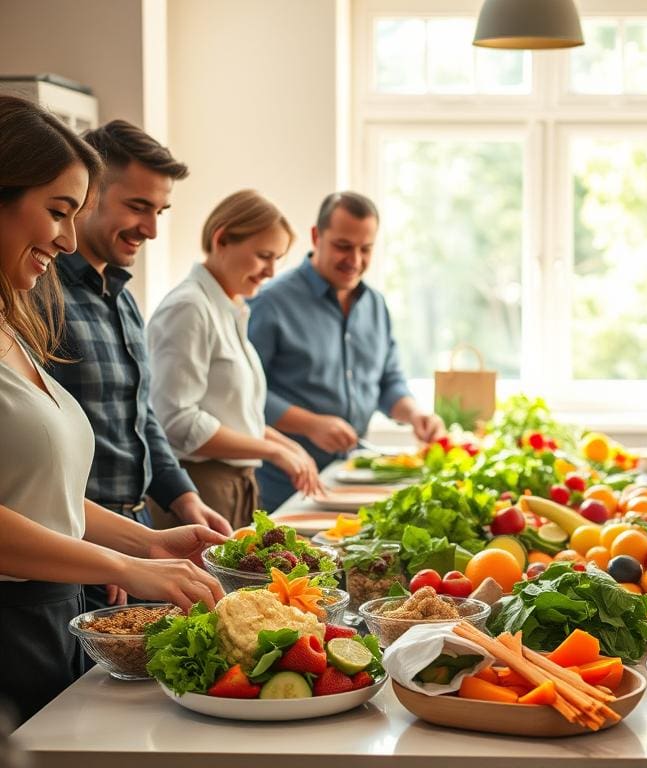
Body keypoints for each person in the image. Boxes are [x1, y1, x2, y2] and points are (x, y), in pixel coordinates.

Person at [0, 95, 225, 727]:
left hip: (51, 613)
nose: (68, 238)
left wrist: (147, 542)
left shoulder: (14, 325)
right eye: (57, 211)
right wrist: (124, 563)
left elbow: (43, 495)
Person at [45, 120, 232, 611]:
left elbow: (141, 417)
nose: (151, 229)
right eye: (137, 207)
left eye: (159, 211)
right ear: (88, 196)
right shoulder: (40, 294)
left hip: (134, 532)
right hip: (76, 546)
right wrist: (105, 553)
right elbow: (44, 446)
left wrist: (185, 498)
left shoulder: (123, 299)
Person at [248, 191, 446, 511]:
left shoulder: (375, 305)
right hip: (283, 487)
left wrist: (415, 414)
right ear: (317, 236)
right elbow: (246, 394)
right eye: (343, 246)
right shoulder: (270, 302)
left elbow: (388, 381)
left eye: (365, 249)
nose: (354, 260)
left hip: (353, 482)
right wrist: (311, 424)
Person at [147, 191, 322, 529]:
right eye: (264, 256)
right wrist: (272, 452)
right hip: (200, 487)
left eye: (277, 259)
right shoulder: (189, 308)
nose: (271, 271)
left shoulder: (229, 308)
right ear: (222, 239)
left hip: (232, 485)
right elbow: (177, 420)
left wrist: (287, 446)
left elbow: (232, 415)